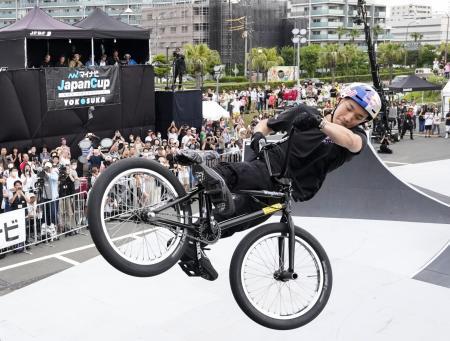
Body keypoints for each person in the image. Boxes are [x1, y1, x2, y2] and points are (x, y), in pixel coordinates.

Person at [176, 83, 382, 281]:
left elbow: (350, 142)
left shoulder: (356, 136)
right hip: (272, 166)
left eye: (358, 117)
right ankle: (207, 172)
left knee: (242, 219)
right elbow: (266, 125)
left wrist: (321, 124)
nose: (349, 118)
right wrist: (258, 134)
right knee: (252, 174)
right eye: (349, 109)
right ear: (340, 99)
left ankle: (193, 239)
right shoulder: (306, 112)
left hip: (286, 189)